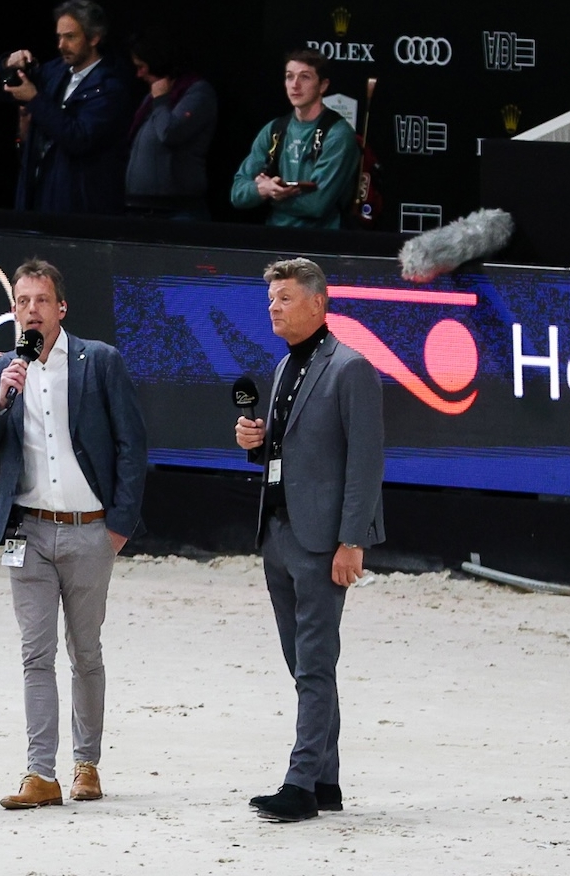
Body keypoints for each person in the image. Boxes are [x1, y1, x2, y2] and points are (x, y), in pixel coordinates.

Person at [0, 258, 148, 810]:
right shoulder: (3, 372)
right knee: (34, 654)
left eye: (40, 301)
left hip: (90, 531)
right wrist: (0, 402)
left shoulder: (99, 362)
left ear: (60, 308)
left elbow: (131, 447)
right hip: (27, 532)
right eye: (21, 302)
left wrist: (118, 527)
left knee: (85, 651)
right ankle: (40, 773)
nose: (30, 311)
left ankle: (86, 764)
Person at [232, 257, 385, 822]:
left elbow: (366, 464)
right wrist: (253, 439)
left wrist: (352, 542)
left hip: (323, 541)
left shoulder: (351, 369)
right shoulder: (282, 369)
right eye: (271, 299)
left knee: (315, 664)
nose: (274, 307)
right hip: (278, 533)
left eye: (285, 298)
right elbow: (285, 450)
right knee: (304, 665)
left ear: (319, 303)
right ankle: (326, 782)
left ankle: (299, 786)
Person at [0, 0, 130, 214]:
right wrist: (7, 63)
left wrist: (35, 99)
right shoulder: (53, 72)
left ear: (94, 38)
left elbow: (79, 138)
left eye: (70, 37)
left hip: (79, 204)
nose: (61, 45)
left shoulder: (110, 87)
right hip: (39, 192)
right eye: (59, 37)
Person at [230, 50, 360, 229]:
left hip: (321, 243)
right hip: (276, 238)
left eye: (305, 77)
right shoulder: (274, 130)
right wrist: (265, 189)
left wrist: (270, 195)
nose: (295, 85)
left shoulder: (338, 134)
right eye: (289, 77)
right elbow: (237, 194)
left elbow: (316, 205)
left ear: (323, 85)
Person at [124, 30, 218, 221]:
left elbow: (170, 133)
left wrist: (161, 101)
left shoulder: (197, 93)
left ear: (157, 61)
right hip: (141, 208)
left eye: (142, 66)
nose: (139, 74)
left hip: (177, 211)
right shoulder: (154, 97)